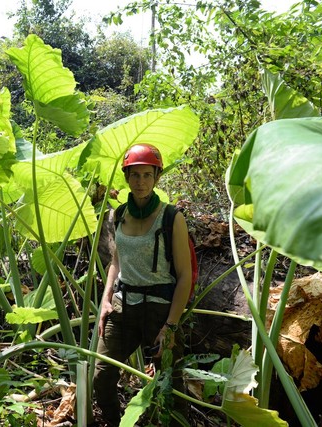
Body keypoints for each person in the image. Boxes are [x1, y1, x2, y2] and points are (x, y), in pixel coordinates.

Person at [93, 143, 192, 426]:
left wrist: (171, 326)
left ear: (157, 177)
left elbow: (183, 275)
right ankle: (116, 422)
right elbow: (116, 262)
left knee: (170, 384)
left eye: (147, 175)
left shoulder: (172, 217)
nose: (141, 182)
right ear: (126, 177)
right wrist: (106, 299)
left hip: (160, 310)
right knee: (102, 374)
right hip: (124, 308)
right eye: (135, 175)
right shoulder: (118, 214)